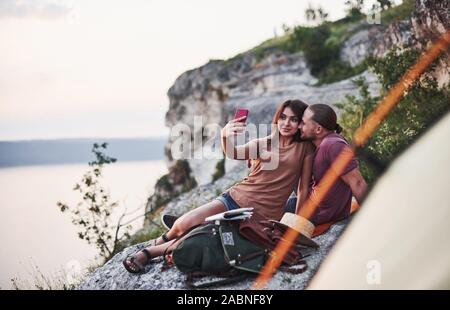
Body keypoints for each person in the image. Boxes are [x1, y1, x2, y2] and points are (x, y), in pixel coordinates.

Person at [123, 99, 315, 273]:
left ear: (300, 124)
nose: (286, 123)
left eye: (293, 119)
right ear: (277, 118)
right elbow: (233, 153)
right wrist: (225, 136)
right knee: (184, 223)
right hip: (233, 198)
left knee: (201, 236)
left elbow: (303, 189)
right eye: (283, 117)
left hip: (259, 216)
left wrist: (296, 223)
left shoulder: (306, 149)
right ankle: (164, 239)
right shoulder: (263, 143)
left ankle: (148, 253)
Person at [285, 104, 368, 225]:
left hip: (316, 216)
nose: (299, 126)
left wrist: (374, 218)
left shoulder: (333, 145)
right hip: (312, 208)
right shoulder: (324, 144)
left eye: (304, 123)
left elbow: (358, 182)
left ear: (318, 129)